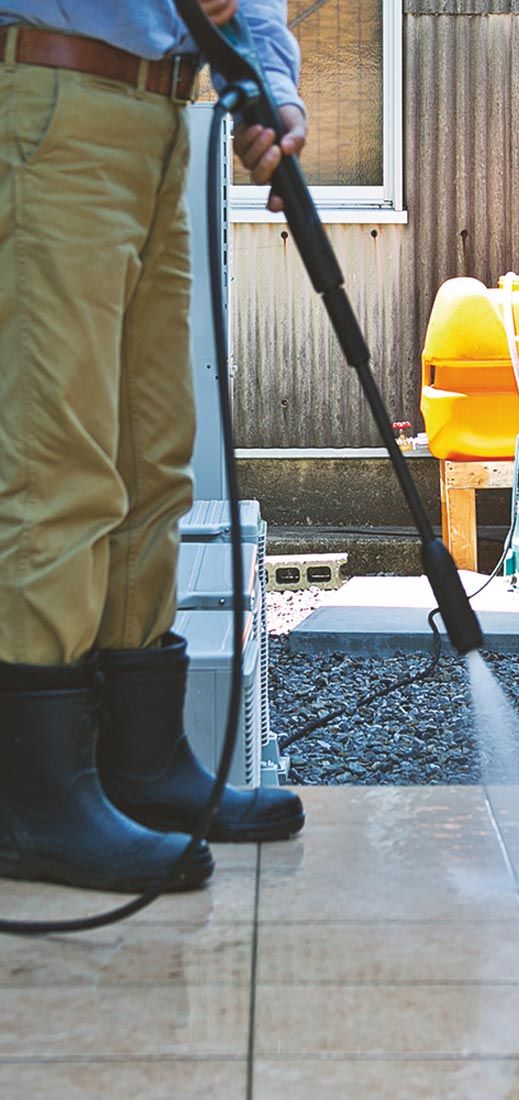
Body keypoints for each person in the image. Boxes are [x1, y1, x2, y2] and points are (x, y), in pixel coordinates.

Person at [0, 1, 307, 895]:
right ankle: (37, 799)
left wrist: (268, 86)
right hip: (51, 93)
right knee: (57, 457)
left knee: (152, 459)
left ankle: (138, 764)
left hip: (166, 118)